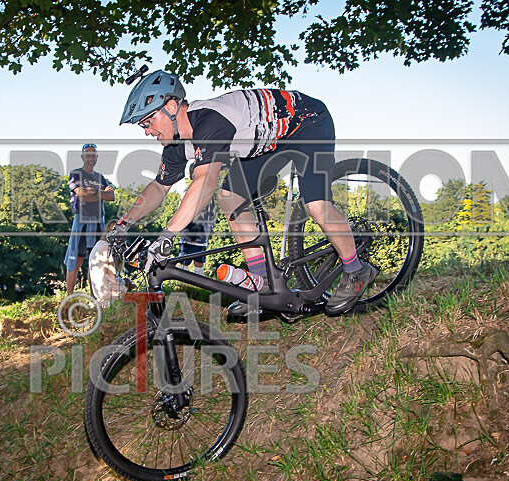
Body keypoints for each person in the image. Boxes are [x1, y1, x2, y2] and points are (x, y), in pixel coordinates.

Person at [114, 70, 377, 316]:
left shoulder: (209, 119)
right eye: (143, 126)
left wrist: (168, 235)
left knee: (317, 205)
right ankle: (261, 285)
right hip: (265, 145)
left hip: (307, 124)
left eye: (148, 122)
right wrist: (124, 224)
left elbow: (205, 182)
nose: (148, 131)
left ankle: (355, 269)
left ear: (171, 108)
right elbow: (159, 187)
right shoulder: (175, 146)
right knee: (230, 199)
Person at [63, 143, 116, 295]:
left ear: (97, 157)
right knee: (75, 259)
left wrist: (92, 191)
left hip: (99, 221)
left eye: (93, 155)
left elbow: (111, 197)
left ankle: (94, 297)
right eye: (88, 155)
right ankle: (70, 297)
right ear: (83, 157)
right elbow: (80, 193)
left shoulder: (100, 177)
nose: (90, 158)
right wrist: (100, 193)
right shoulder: (76, 174)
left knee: (95, 261)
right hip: (82, 221)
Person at [177, 170, 215, 276]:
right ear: (191, 176)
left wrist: (210, 226)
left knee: (199, 261)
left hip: (201, 236)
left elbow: (211, 212)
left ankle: (198, 282)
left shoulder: (208, 194)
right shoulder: (186, 192)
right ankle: (182, 282)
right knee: (184, 260)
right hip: (187, 234)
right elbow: (180, 211)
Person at [88, 220, 128, 308]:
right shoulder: (106, 247)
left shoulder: (98, 245)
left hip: (99, 293)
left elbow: (90, 275)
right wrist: (124, 285)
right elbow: (111, 275)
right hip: (108, 294)